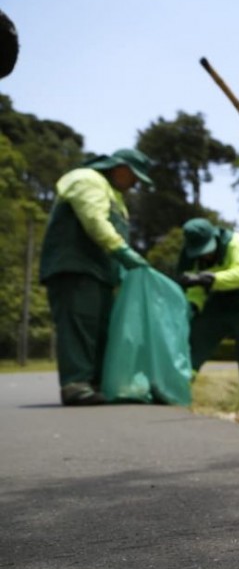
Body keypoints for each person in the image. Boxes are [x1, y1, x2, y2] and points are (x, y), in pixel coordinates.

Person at [39, 148, 153, 406]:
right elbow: (93, 219)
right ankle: (75, 384)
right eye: (134, 177)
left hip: (100, 272)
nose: (135, 184)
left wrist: (121, 269)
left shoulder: (115, 196)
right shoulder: (87, 179)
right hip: (73, 266)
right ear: (121, 168)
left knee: (101, 328)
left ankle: (96, 383)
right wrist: (122, 251)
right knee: (78, 325)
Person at [176, 218, 239, 422]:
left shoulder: (238, 243)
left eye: (207, 251)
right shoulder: (189, 255)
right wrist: (193, 305)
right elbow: (192, 287)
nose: (204, 256)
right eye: (199, 253)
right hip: (218, 303)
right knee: (193, 344)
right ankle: (174, 393)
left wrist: (207, 278)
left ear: (215, 238)